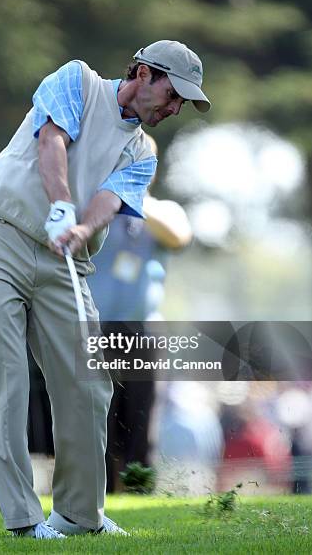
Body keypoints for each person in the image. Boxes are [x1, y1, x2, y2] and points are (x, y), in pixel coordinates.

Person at [0, 40, 210, 539]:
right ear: (143, 72)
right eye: (174, 94)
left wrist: (79, 228)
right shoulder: (78, 81)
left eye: (183, 102)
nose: (176, 107)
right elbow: (52, 140)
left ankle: (78, 515)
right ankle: (24, 521)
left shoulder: (140, 152)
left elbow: (110, 201)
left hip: (64, 258)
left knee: (90, 385)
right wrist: (60, 206)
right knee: (0, 382)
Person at [89, 135, 193, 491]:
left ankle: (138, 496)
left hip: (143, 333)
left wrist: (136, 197)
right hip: (94, 332)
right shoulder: (96, 206)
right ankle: (95, 503)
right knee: (95, 424)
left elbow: (179, 235)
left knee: (140, 424)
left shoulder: (162, 210)